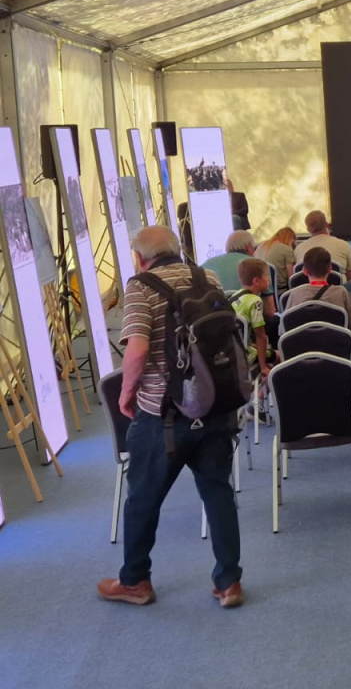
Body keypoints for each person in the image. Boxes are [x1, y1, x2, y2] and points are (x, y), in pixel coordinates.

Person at [97, 226, 243, 608]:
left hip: (163, 415)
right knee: (218, 492)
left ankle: (135, 581)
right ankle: (229, 582)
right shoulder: (206, 277)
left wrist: (126, 396)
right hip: (212, 404)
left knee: (143, 499)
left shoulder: (140, 287)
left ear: (140, 258)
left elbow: (136, 351)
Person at [286, 246, 351, 339]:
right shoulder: (341, 292)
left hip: (302, 345)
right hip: (335, 345)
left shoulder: (295, 294)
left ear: (305, 271)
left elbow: (284, 329)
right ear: (330, 269)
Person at [231, 258, 274, 420]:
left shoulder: (235, 296)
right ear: (257, 280)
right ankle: (257, 402)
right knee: (279, 359)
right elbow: (260, 336)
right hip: (246, 356)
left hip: (234, 353)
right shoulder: (255, 301)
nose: (269, 279)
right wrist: (263, 367)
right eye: (267, 276)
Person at [298, 210, 351, 281]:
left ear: (308, 229)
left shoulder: (298, 249)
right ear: (327, 224)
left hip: (307, 288)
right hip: (338, 288)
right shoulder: (344, 246)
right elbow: (350, 278)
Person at [203, 231, 257, 300]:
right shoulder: (258, 266)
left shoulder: (206, 265)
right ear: (248, 247)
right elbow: (268, 304)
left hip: (214, 305)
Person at [255, 227, 296, 295]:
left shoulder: (261, 246)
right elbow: (291, 278)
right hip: (281, 291)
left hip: (261, 290)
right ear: (290, 239)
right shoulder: (287, 250)